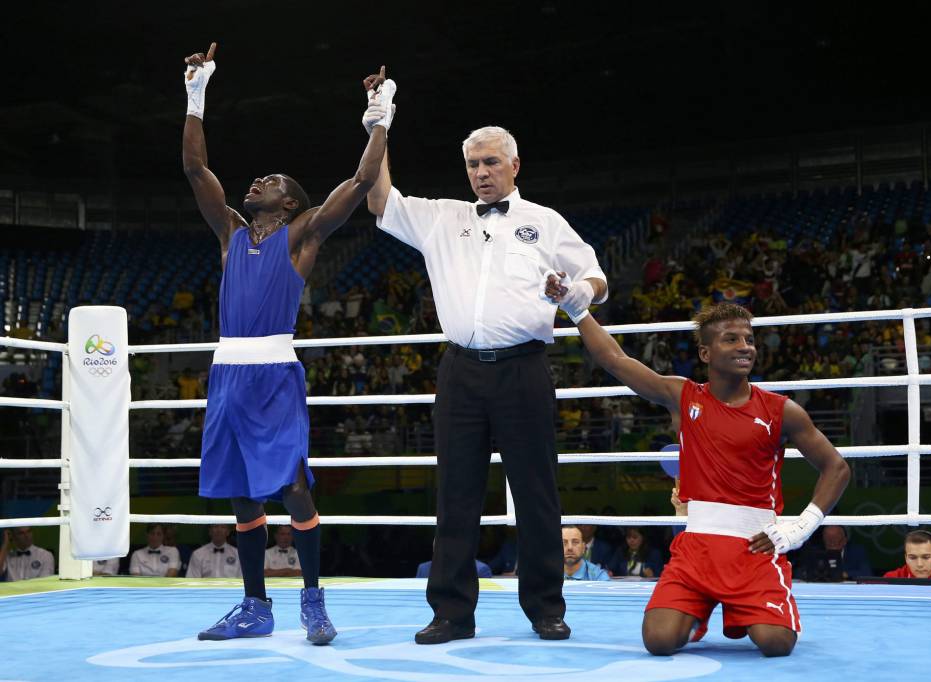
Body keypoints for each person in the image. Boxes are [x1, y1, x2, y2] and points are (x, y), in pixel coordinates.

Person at [181, 43, 394, 645]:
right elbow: (197, 170)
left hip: (274, 368)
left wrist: (380, 115)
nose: (257, 181)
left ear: (291, 202)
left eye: (270, 181)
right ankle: (255, 606)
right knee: (240, 493)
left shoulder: (303, 235)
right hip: (227, 370)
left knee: (294, 484)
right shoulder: (228, 231)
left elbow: (359, 179)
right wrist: (195, 93)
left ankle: (313, 600)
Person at [366, 123, 608, 645]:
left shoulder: (544, 222)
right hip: (461, 372)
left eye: (491, 163)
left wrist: (575, 292)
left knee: (537, 493)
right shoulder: (442, 217)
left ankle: (546, 607)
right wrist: (380, 124)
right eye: (474, 164)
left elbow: (597, 276)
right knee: (455, 495)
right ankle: (452, 613)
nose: (481, 173)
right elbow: (380, 198)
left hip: (524, 368)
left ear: (514, 166)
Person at [554, 299, 850, 657]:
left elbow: (837, 467)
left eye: (749, 339)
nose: (745, 347)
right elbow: (615, 361)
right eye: (731, 339)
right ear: (706, 353)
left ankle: (740, 606)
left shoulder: (781, 410)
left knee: (775, 643)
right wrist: (576, 310)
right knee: (659, 640)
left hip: (755, 548)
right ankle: (700, 608)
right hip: (697, 550)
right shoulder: (682, 396)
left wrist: (800, 528)